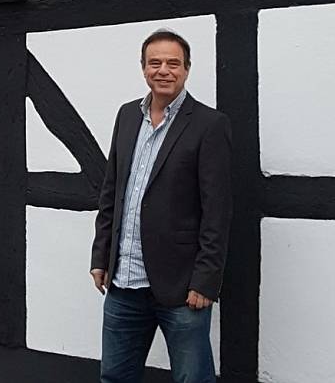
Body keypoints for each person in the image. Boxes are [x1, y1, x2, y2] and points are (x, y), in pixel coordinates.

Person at [90, 30, 232, 383]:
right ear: (143, 69)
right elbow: (112, 194)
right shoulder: (126, 117)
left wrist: (206, 281)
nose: (163, 70)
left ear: (186, 69)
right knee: (114, 377)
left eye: (173, 63)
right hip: (123, 284)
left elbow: (218, 211)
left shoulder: (209, 125)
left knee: (193, 379)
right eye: (155, 63)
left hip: (183, 289)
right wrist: (100, 257)